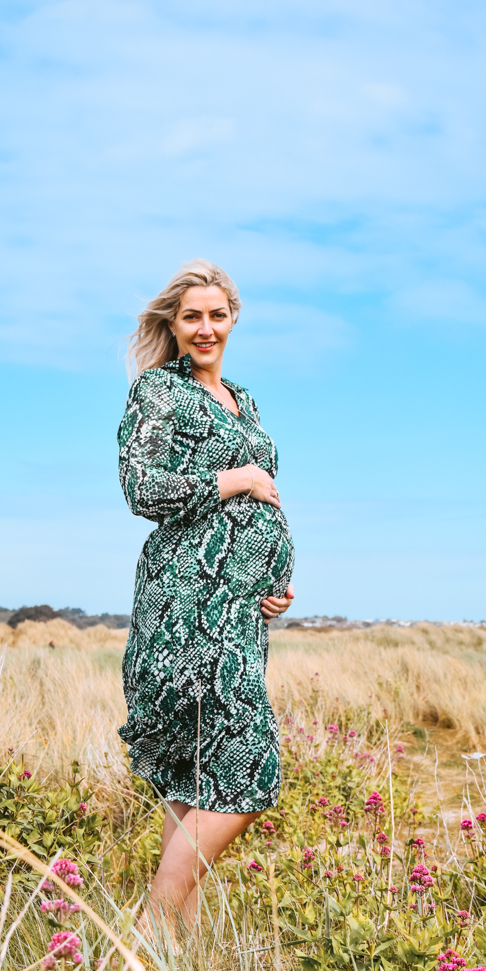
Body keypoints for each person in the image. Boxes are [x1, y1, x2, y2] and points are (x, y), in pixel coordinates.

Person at [117, 259, 295, 932]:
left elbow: (256, 507)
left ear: (233, 319)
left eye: (217, 315)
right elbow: (142, 487)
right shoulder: (159, 392)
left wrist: (271, 583)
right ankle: (146, 932)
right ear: (172, 323)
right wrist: (235, 479)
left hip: (240, 615)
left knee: (195, 781)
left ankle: (173, 967)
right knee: (250, 768)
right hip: (186, 611)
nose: (205, 328)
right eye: (191, 316)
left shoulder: (242, 400)